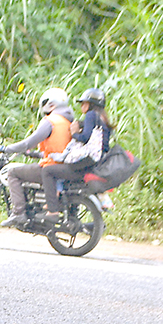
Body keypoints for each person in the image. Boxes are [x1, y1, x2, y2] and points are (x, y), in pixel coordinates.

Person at [0, 87, 75, 228]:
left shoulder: (51, 121)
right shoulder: (69, 121)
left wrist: (7, 148)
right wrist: (33, 153)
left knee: (13, 173)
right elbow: (59, 149)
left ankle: (18, 213)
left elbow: (29, 142)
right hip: (63, 166)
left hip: (50, 166)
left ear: (51, 103)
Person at [40, 88, 113, 223]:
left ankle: (52, 210)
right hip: (96, 165)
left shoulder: (91, 115)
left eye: (84, 103)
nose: (81, 106)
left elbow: (85, 138)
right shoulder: (104, 120)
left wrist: (74, 133)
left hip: (84, 164)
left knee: (48, 171)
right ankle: (64, 204)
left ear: (91, 104)